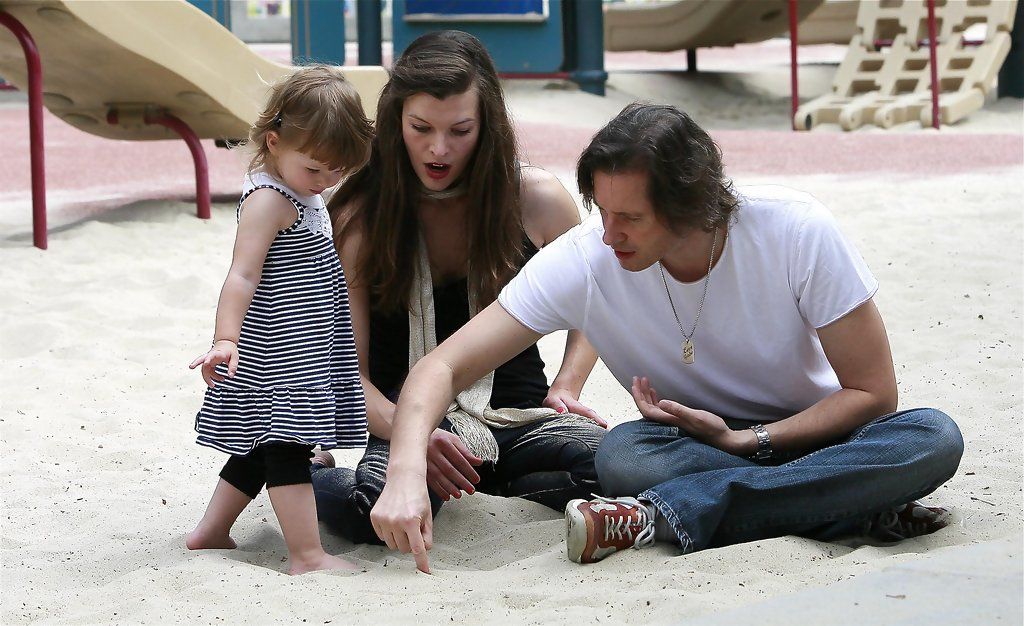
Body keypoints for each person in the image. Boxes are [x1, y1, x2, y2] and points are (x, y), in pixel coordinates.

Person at [369, 103, 964, 572]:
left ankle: (664, 517)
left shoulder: (796, 230)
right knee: (623, 456)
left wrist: (747, 441)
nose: (609, 234)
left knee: (932, 436)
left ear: (691, 205)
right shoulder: (586, 259)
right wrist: (403, 473)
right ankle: (846, 508)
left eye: (630, 218)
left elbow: (872, 394)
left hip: (821, 435)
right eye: (603, 211)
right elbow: (441, 367)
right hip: (694, 450)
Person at [309, 31, 607, 548]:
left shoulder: (535, 199)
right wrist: (410, 434)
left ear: (487, 126)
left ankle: (487, 478)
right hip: (407, 421)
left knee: (616, 468)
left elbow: (599, 298)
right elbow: (347, 376)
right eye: (420, 128)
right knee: (371, 514)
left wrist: (568, 384)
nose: (439, 148)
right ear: (395, 121)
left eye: (460, 130)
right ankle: (302, 470)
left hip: (516, 415)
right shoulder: (360, 216)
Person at [185, 65, 374, 575]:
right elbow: (242, 274)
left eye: (338, 171)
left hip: (302, 345)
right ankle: (307, 555)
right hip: (278, 352)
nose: (327, 181)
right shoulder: (269, 200)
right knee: (288, 449)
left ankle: (210, 532)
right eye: (316, 169)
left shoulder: (301, 188)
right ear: (274, 141)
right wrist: (225, 338)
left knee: (260, 445)